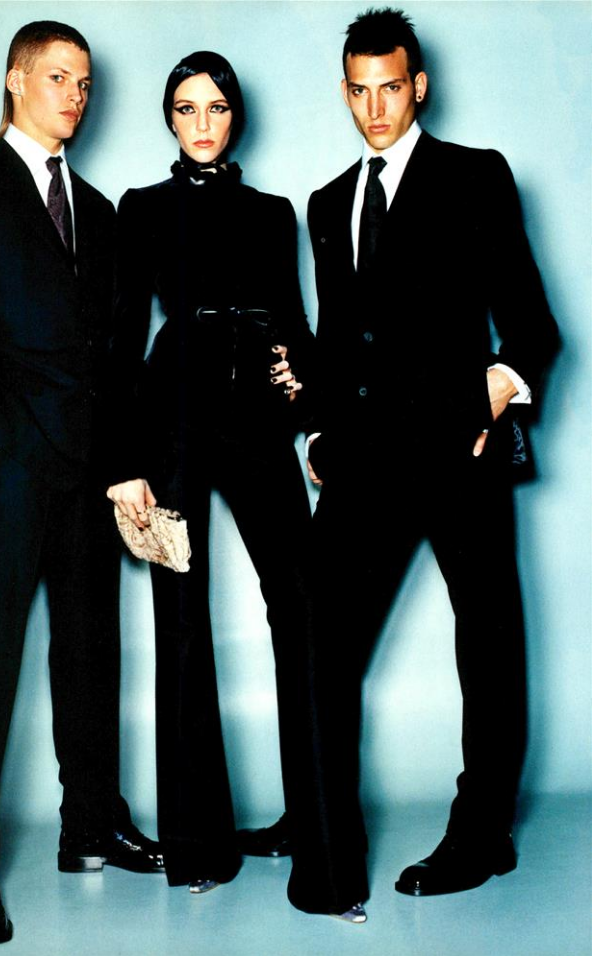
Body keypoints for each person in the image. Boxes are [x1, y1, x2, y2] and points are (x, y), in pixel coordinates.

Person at [303, 6, 560, 909]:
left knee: (486, 645)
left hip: (459, 450)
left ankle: (483, 835)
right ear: (345, 93)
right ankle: (324, 839)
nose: (375, 107)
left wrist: (494, 392)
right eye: (359, 91)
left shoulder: (473, 175)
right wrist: (321, 435)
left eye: (390, 87)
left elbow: (531, 326)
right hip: (366, 460)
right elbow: (337, 341)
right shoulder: (327, 204)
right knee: (319, 638)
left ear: (418, 85)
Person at [0, 21, 162, 947]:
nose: (76, 96)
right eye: (59, 78)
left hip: (91, 472)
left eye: (86, 83)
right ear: (16, 80)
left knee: (91, 654)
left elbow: (116, 355)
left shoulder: (95, 210)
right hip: (13, 466)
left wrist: (122, 465)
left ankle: (89, 826)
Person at [107, 51, 364, 920]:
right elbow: (118, 339)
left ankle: (326, 863)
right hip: (171, 414)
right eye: (186, 109)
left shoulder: (272, 211)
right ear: (169, 119)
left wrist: (314, 411)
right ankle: (196, 849)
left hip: (256, 414)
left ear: (235, 115)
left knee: (304, 606)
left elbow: (294, 323)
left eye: (215, 107)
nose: (202, 123)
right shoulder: (141, 208)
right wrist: (122, 461)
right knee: (179, 619)